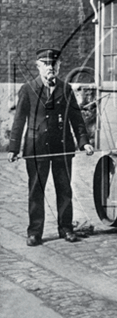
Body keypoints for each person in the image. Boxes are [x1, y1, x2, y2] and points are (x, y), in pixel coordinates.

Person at [8, 48, 94, 246]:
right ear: (38, 66)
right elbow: (19, 121)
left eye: (54, 64)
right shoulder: (28, 89)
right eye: (46, 64)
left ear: (59, 66)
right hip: (36, 149)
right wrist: (14, 148)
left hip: (61, 147)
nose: (50, 68)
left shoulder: (66, 89)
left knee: (64, 189)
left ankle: (66, 228)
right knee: (36, 191)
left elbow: (76, 119)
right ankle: (35, 232)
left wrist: (84, 142)